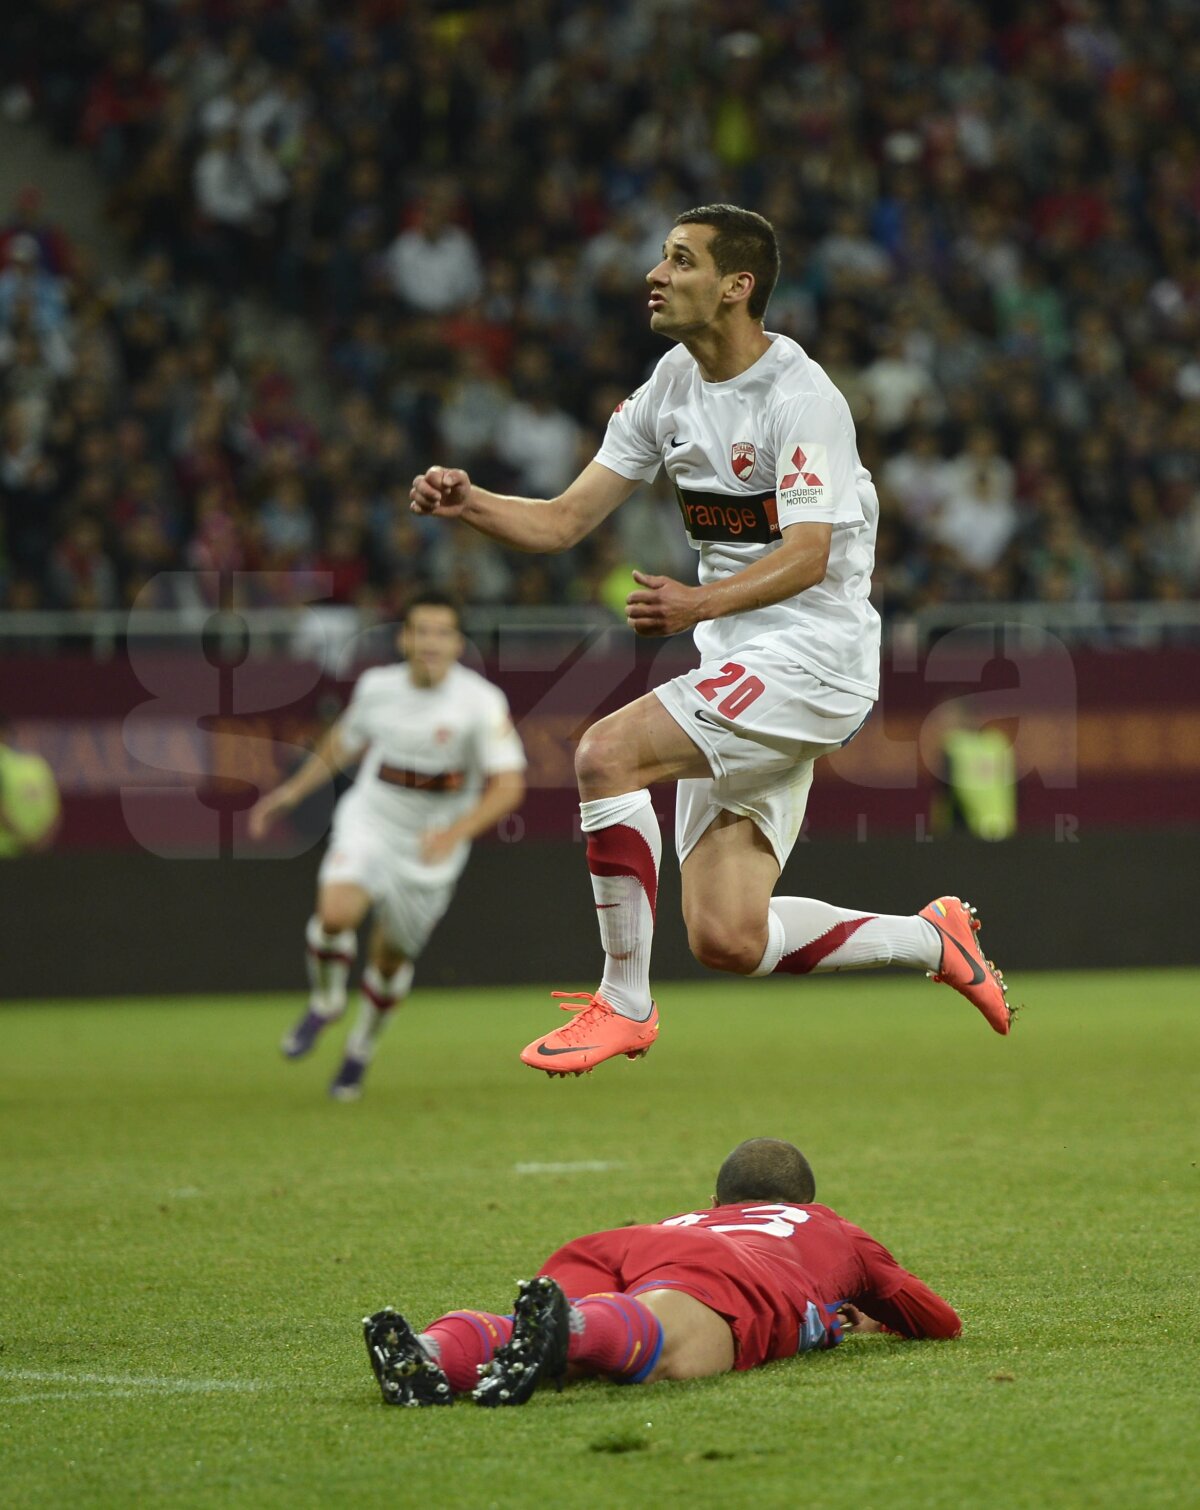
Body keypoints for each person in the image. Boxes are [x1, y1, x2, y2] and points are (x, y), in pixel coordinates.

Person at [410, 204, 1011, 1077]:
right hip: (739, 663)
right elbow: (564, 521)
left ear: (736, 287)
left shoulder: (804, 401)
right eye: (661, 257)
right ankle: (932, 941)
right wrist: (470, 504)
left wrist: (697, 603)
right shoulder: (669, 386)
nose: (655, 275)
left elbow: (807, 557)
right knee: (729, 937)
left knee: (604, 756)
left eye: (680, 260)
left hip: (813, 662)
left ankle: (623, 1001)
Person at [362, 1136, 961, 1407]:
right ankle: (565, 1331)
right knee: (661, 1340)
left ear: (719, 1198)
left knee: (547, 1335)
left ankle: (433, 1350)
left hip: (622, 1245)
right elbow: (940, 1321)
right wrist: (874, 1323)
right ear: (803, 1200)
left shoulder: (690, 1216)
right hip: (730, 1273)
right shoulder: (828, 1226)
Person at [247, 589, 526, 1099]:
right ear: (404, 638)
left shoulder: (480, 703)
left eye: (442, 633)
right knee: (335, 914)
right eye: (421, 631)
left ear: (458, 643)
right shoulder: (377, 688)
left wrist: (455, 833)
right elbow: (341, 744)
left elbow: (509, 786)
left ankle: (359, 1050)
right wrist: (288, 794)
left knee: (390, 959)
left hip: (429, 846)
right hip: (371, 819)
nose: (431, 643)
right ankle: (328, 1001)